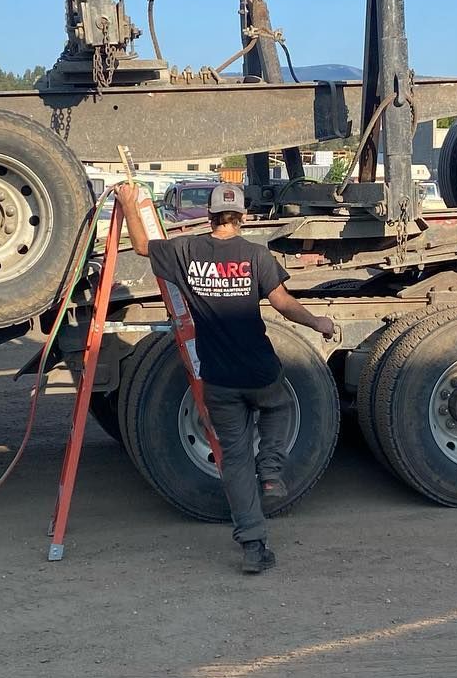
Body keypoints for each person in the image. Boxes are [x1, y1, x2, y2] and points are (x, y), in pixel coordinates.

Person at [115, 180, 336, 574]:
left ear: (210, 215)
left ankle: (253, 544)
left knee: (233, 458)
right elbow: (283, 303)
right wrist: (317, 321)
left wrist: (129, 203)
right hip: (259, 370)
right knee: (280, 405)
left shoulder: (186, 251)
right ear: (243, 217)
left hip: (217, 378)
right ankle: (270, 470)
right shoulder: (255, 255)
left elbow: (141, 245)